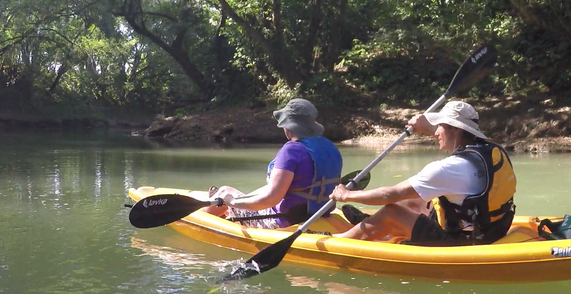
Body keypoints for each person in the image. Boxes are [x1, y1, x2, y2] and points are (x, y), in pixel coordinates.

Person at [330, 101, 516, 244]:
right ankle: (371, 223)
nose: (436, 133)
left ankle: (343, 239)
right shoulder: (491, 150)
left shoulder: (447, 169)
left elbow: (389, 194)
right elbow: (451, 136)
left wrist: (347, 195)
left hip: (463, 239)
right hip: (492, 228)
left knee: (391, 210)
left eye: (440, 127)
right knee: (415, 199)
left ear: (455, 130)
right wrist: (425, 127)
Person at [207, 98, 343, 228]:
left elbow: (271, 199)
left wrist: (232, 201)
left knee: (225, 191)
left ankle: (200, 220)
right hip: (318, 214)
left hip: (283, 220)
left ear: (288, 127)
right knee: (235, 197)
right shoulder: (330, 147)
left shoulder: (291, 150)